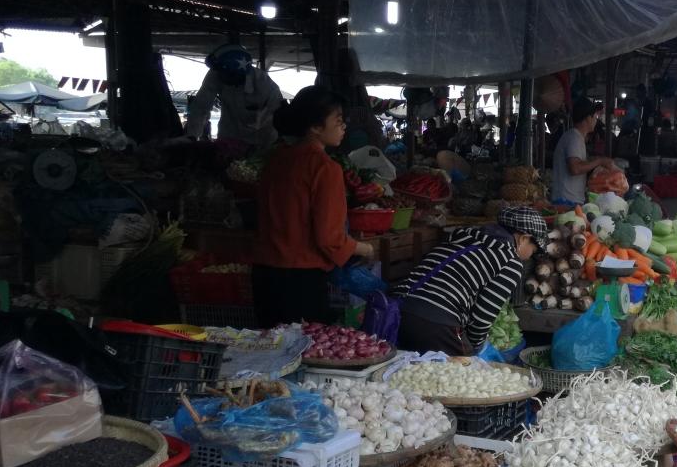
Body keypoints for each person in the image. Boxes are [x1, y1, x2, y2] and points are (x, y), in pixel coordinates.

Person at [250, 87, 373, 327]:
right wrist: (364, 248)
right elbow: (329, 238)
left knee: (269, 344)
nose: (344, 127)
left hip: (264, 274)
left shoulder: (275, 159)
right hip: (301, 281)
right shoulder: (325, 168)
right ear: (316, 127)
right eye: (338, 120)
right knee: (305, 346)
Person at [391, 205, 542, 355]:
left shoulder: (462, 236)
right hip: (436, 322)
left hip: (395, 311)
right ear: (523, 238)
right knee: (462, 367)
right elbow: (482, 316)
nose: (530, 256)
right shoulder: (510, 261)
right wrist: (474, 349)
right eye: (533, 251)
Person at [186, 43, 284, 147]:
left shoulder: (266, 86)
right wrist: (192, 137)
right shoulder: (217, 72)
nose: (220, 77)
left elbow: (280, 118)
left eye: (224, 74)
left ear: (236, 73)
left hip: (260, 141)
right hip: (227, 138)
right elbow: (200, 106)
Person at [552, 98, 614, 205]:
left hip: (570, 200)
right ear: (588, 118)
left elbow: (579, 164)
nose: (596, 120)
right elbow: (575, 168)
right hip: (566, 202)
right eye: (595, 116)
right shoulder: (574, 137)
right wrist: (599, 161)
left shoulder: (576, 137)